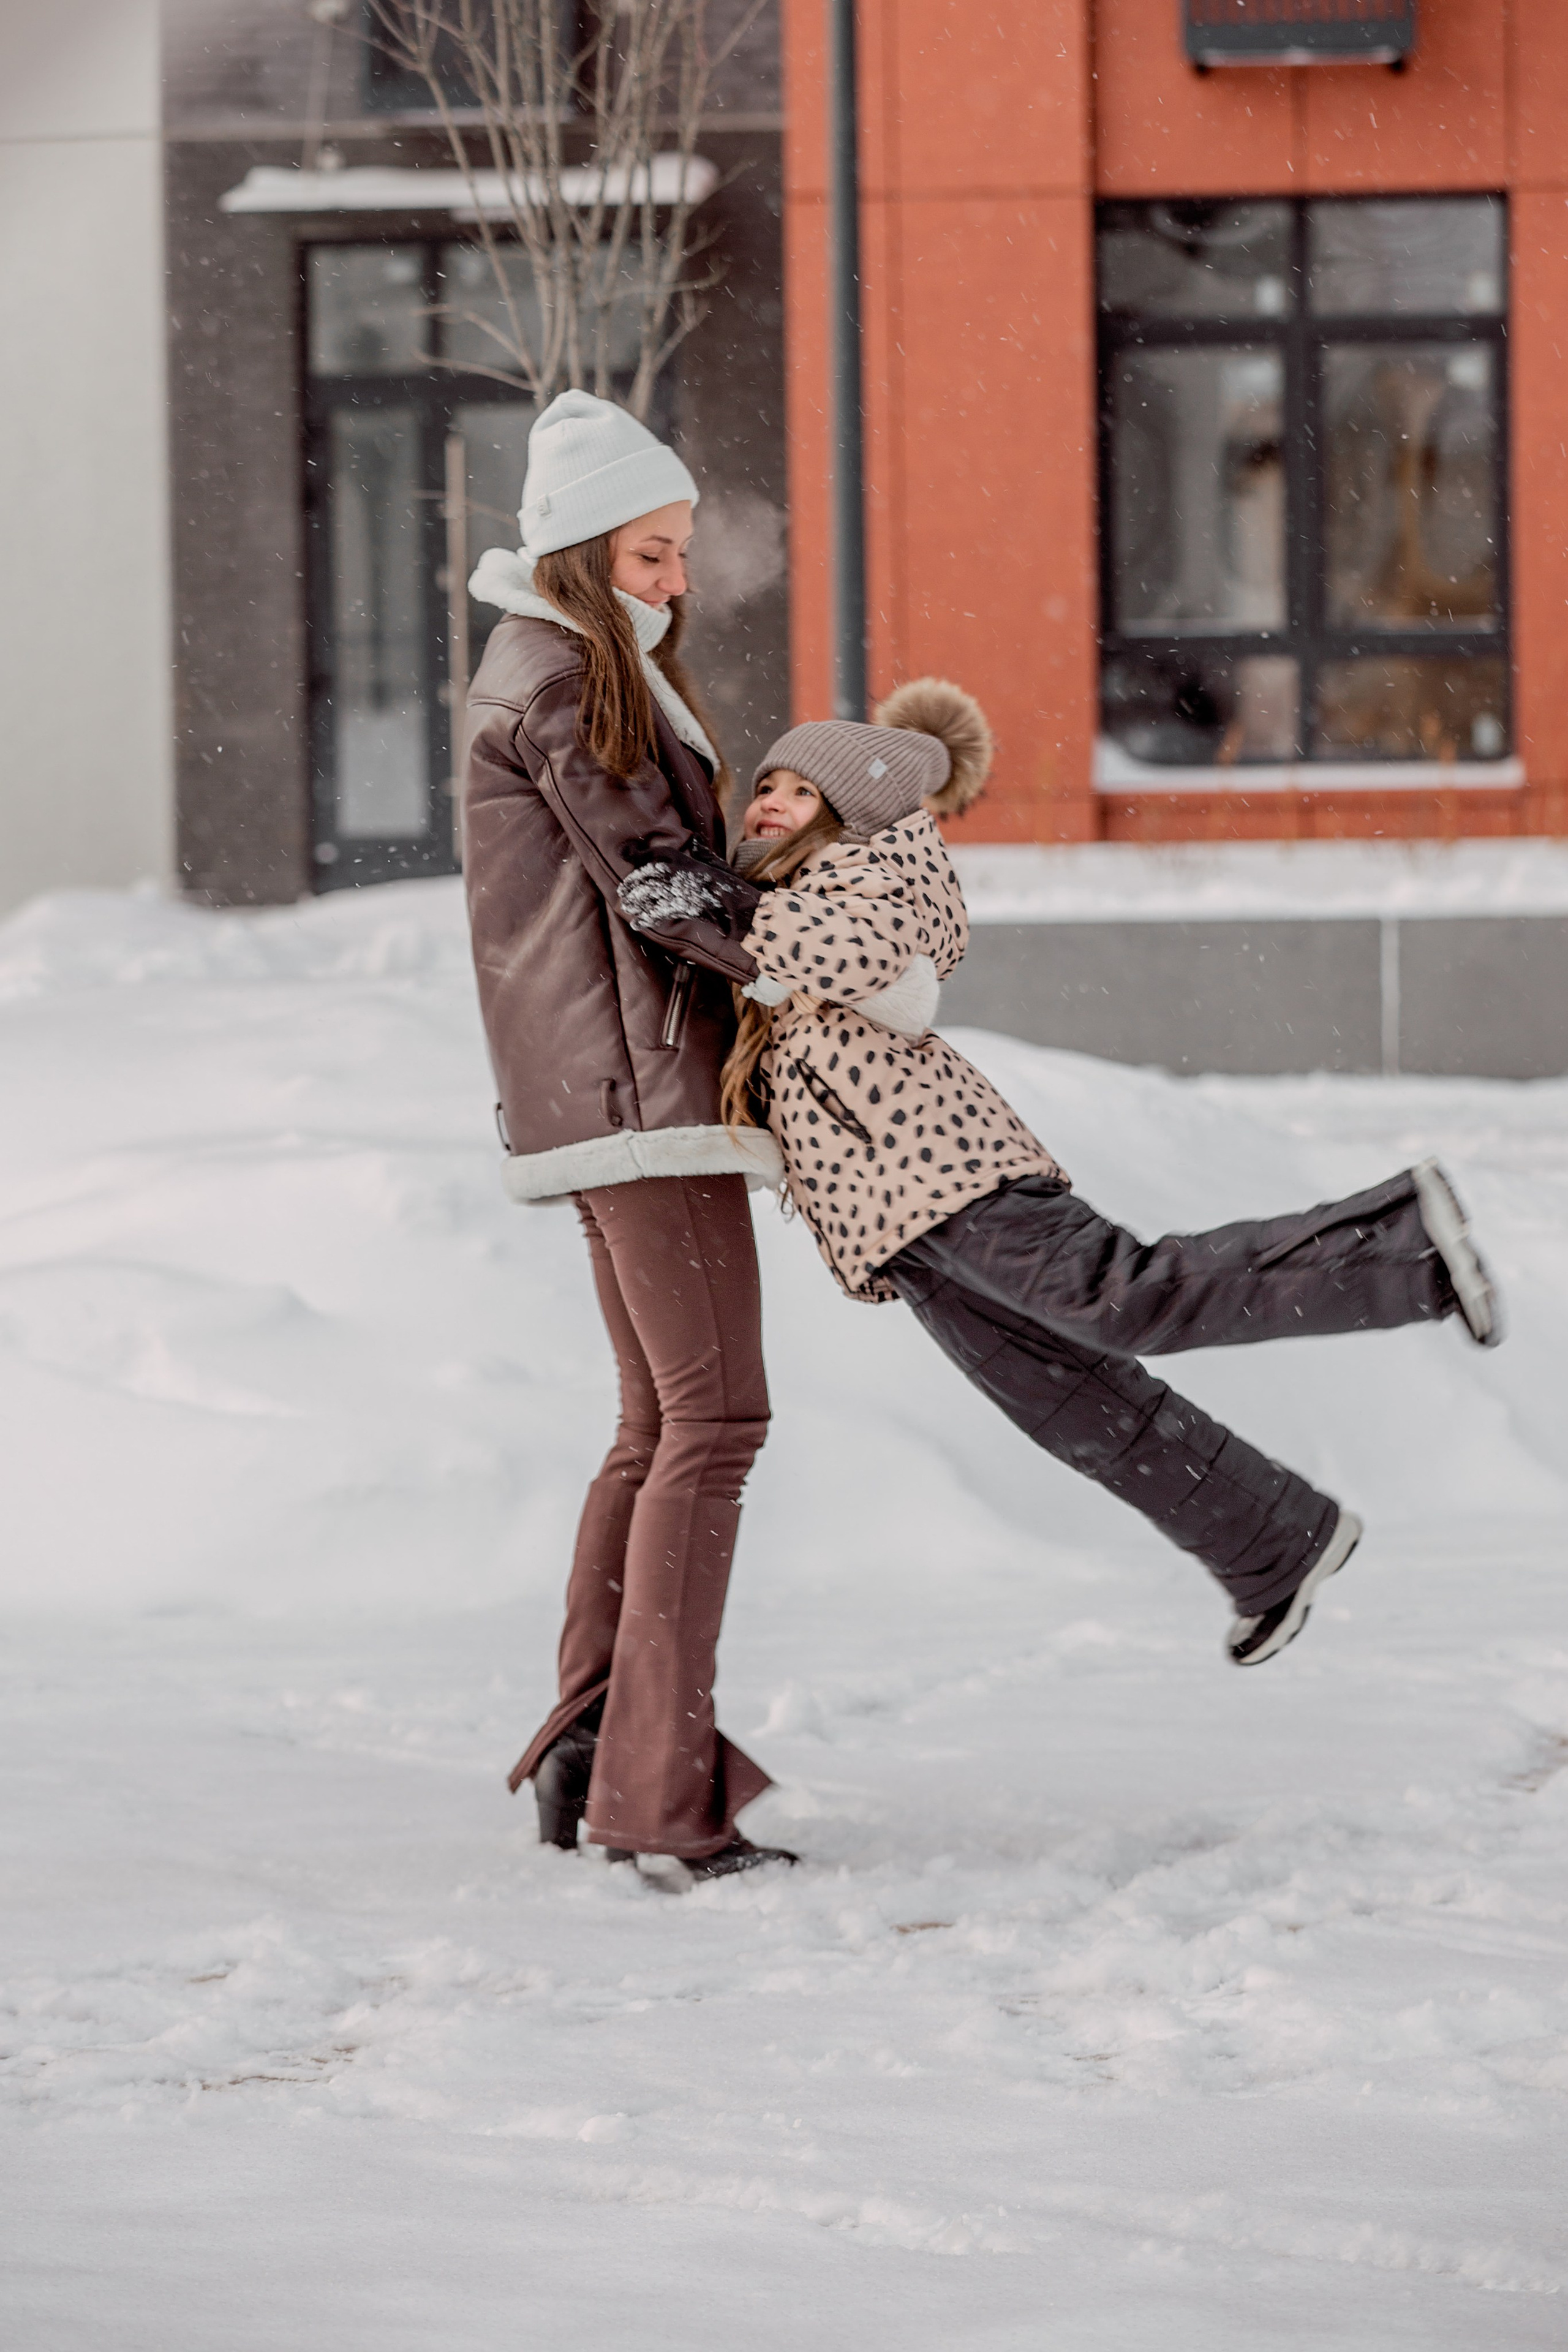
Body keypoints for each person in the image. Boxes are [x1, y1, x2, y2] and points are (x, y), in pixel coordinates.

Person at [617, 680, 1503, 1668]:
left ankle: (1403, 1243)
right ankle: (1272, 1543)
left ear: (849, 807)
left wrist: (733, 908)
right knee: (1067, 1401)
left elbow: (867, 954)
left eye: (795, 789)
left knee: (1122, 1300)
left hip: (948, 1175)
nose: (766, 804)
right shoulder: (789, 901)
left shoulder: (876, 869)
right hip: (898, 1225)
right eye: (763, 786)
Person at [462, 389, 797, 1878]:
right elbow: (656, 885)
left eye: (678, 554)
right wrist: (814, 953)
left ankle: (594, 1756)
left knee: (659, 1426)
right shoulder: (558, 683)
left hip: (599, 1094)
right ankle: (657, 1801)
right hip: (641, 1098)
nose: (676, 584)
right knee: (713, 1425)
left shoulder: (554, 665)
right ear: (586, 551)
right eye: (653, 556)